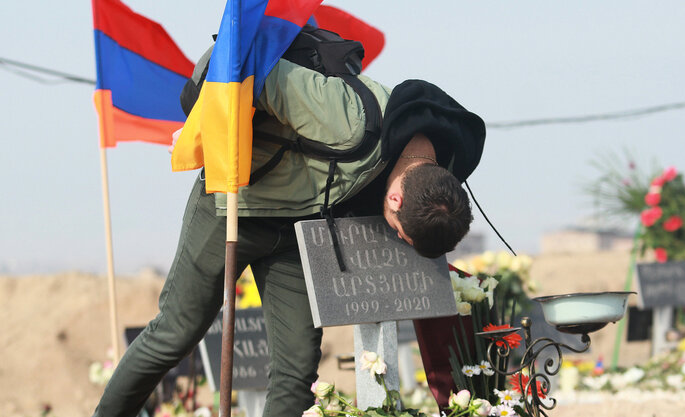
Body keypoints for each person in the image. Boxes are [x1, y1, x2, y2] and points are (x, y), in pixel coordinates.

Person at [92, 42, 485, 417]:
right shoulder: (345, 119)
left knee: (297, 367)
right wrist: (205, 127)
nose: (398, 240)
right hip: (235, 205)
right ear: (397, 201)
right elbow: (252, 68)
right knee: (176, 332)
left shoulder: (436, 172)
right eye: (402, 234)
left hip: (298, 229)